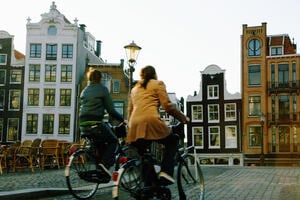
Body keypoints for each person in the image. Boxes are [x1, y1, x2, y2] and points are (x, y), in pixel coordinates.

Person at [127, 65, 189, 186]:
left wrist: (129, 126)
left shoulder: (135, 89)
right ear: (154, 74)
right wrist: (183, 118)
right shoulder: (158, 84)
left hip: (134, 126)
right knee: (172, 141)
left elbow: (130, 111)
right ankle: (166, 172)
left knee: (143, 155)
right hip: (150, 121)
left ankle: (150, 187)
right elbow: (167, 106)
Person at [79, 69, 126, 178]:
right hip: (95, 123)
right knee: (113, 140)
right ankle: (104, 165)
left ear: (90, 78)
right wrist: (122, 119)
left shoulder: (84, 91)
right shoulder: (103, 90)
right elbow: (111, 110)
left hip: (83, 125)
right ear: (100, 79)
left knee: (100, 145)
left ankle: (100, 172)